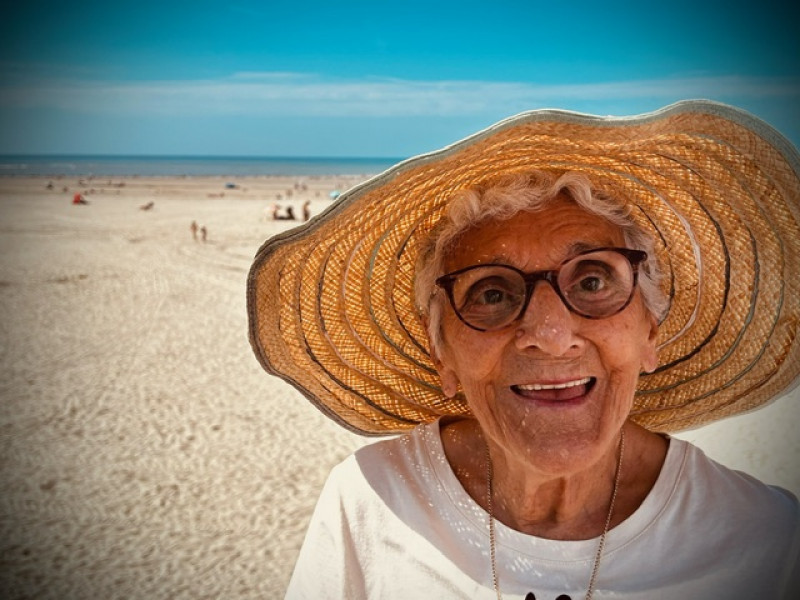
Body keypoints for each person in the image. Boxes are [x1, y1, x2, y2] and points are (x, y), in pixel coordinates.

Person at [247, 101, 800, 599]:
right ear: (444, 355)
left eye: (592, 282)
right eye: (492, 293)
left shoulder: (766, 541)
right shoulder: (371, 504)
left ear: (651, 330)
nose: (550, 335)